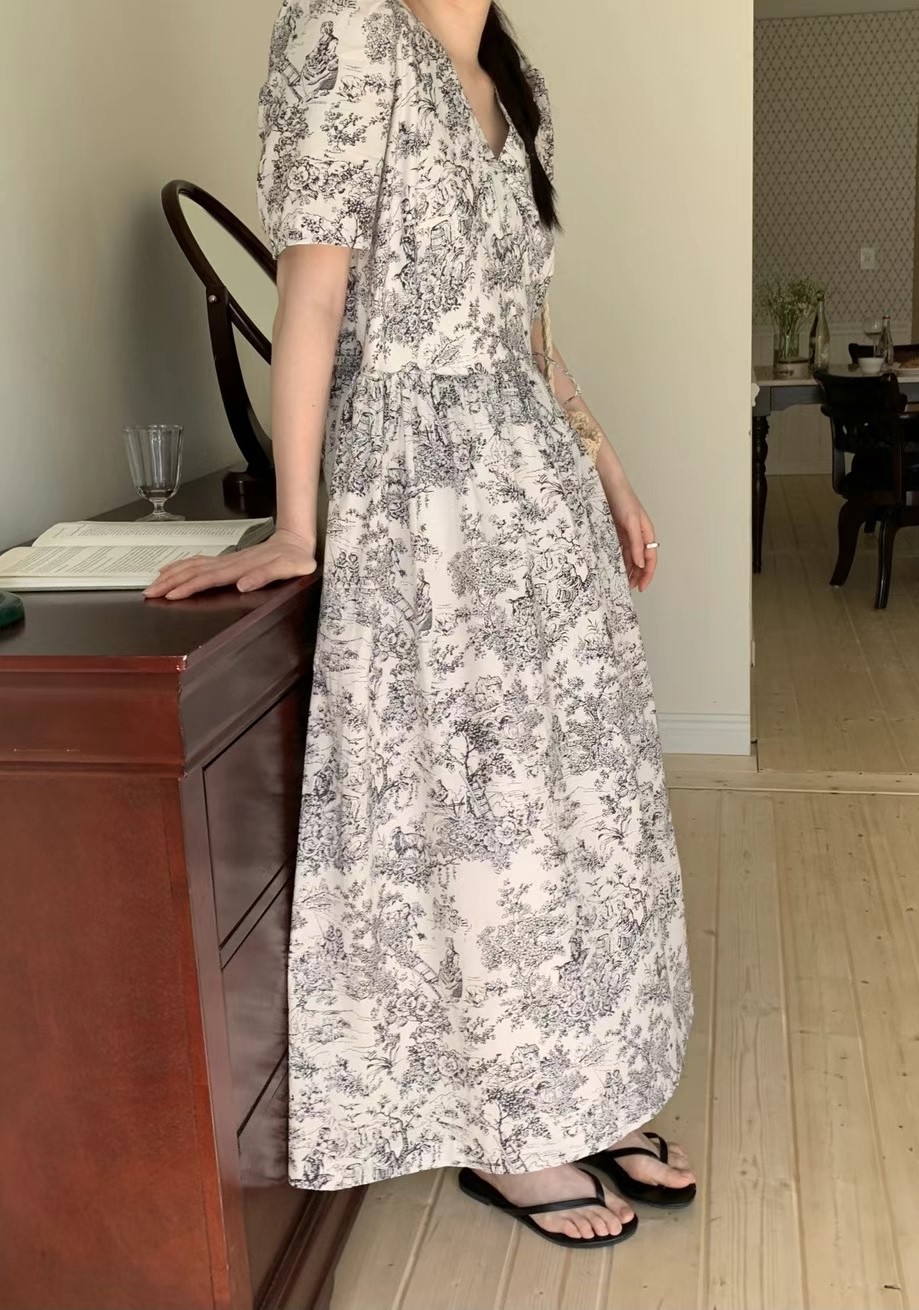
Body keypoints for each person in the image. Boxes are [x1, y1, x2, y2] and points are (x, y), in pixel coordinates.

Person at [146, 0, 694, 1248]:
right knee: (485, 821)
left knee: (583, 810)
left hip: (536, 498)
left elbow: (527, 328)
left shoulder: (511, 70)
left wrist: (607, 468)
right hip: (423, 501)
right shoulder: (345, 30)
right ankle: (510, 1131)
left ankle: (586, 1088)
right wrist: (299, 525)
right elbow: (313, 295)